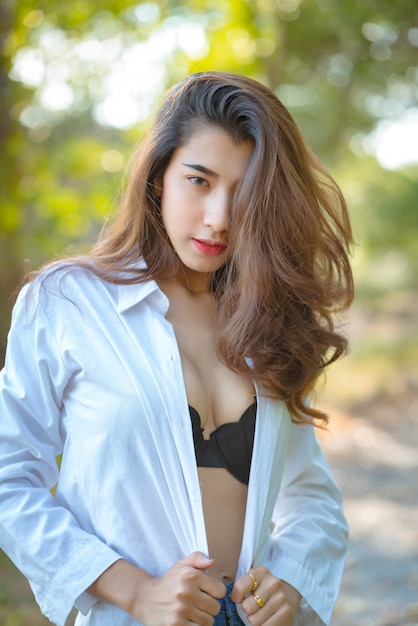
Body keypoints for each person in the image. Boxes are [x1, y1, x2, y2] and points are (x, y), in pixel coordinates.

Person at [0, 71, 354, 626]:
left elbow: (309, 492)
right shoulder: (68, 302)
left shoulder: (265, 321)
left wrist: (289, 577)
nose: (220, 217)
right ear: (158, 176)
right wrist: (134, 590)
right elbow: (8, 476)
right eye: (199, 180)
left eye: (245, 193)